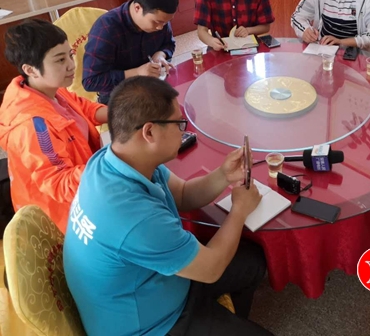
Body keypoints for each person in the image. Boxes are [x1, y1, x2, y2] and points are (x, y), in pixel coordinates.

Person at [64, 76, 273, 336]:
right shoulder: (134, 217)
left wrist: (223, 175)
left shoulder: (113, 160)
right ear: (149, 132)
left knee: (251, 261)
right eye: (179, 124)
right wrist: (239, 210)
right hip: (150, 326)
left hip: (159, 282)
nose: (184, 132)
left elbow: (182, 194)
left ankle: (223, 319)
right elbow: (211, 269)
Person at [0, 19, 107, 233]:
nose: (71, 65)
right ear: (31, 69)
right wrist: (114, 161)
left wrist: (126, 114)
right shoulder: (32, 126)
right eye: (60, 59)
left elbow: (85, 109)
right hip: (65, 219)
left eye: (70, 54)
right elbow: (59, 184)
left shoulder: (50, 89)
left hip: (86, 187)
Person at [83, 0, 179, 104]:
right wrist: (137, 72)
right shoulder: (106, 29)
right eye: (157, 22)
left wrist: (161, 54)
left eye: (166, 22)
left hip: (152, 85)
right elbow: (91, 81)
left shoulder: (160, 20)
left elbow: (169, 43)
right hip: (121, 95)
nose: (161, 27)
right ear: (137, 8)